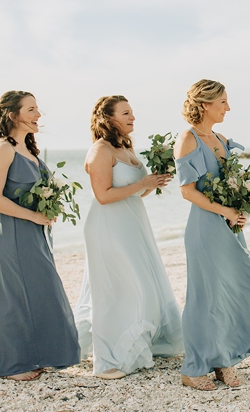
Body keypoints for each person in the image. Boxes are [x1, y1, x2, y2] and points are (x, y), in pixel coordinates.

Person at [174, 80, 250, 391]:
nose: (228, 107)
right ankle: (194, 367)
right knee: (205, 297)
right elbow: (187, 191)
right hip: (205, 228)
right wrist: (223, 211)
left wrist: (240, 208)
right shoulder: (187, 139)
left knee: (233, 290)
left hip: (229, 225)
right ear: (205, 104)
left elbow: (234, 183)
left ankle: (224, 360)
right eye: (223, 102)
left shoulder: (221, 139)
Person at [73, 95, 184, 379]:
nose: (132, 117)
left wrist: (153, 183)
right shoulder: (100, 150)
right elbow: (103, 195)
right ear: (108, 119)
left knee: (141, 284)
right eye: (125, 113)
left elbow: (138, 190)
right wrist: (142, 183)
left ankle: (138, 344)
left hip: (133, 225)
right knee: (114, 290)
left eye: (132, 112)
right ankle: (107, 360)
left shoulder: (125, 147)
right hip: (108, 226)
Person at [0, 91, 80, 381]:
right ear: (12, 115)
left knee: (41, 290)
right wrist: (33, 215)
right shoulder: (3, 149)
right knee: (14, 295)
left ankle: (38, 355)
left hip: (35, 234)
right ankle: (12, 364)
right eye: (31, 109)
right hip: (12, 233)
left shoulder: (30, 151)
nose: (38, 115)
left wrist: (48, 209)